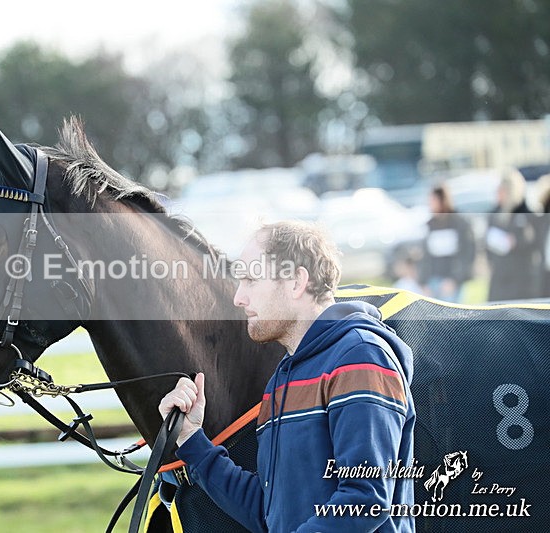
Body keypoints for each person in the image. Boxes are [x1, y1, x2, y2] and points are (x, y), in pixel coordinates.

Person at [158, 221, 415, 532]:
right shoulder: (281, 380)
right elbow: (268, 512)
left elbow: (365, 501)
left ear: (296, 281)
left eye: (251, 280)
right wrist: (190, 439)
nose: (238, 298)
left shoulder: (360, 358)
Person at [485, 169, 540, 301]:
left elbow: (534, 241)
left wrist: (516, 241)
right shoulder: (495, 215)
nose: (498, 195)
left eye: (502, 190)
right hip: (500, 278)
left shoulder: (527, 214)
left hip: (521, 280)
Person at [418, 185, 476, 302]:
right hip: (433, 282)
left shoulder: (460, 223)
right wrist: (423, 282)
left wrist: (455, 279)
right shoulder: (430, 225)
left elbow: (468, 254)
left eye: (433, 200)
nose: (430, 204)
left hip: (452, 283)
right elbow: (425, 256)